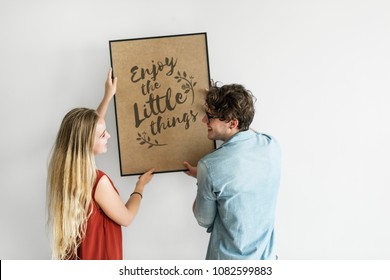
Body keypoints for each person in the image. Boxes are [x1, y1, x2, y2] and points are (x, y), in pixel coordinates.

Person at [47, 69, 155, 260]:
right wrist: (140, 186)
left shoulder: (64, 174)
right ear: (87, 142)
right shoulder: (97, 182)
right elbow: (127, 217)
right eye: (103, 135)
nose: (109, 136)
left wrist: (108, 96)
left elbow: (88, 129)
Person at [184, 82, 281, 260]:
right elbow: (246, 132)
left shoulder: (209, 165)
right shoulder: (272, 145)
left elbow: (203, 219)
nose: (204, 120)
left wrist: (204, 178)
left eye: (210, 116)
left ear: (232, 123)